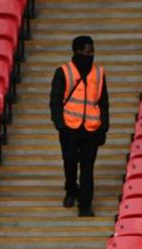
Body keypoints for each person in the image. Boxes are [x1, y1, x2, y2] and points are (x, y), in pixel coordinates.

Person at [50, 36, 109, 217]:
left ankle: (85, 204)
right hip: (69, 127)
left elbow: (103, 101)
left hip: (91, 128)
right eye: (85, 51)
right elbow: (55, 101)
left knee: (87, 167)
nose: (89, 55)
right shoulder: (63, 72)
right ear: (76, 51)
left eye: (91, 51)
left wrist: (104, 127)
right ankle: (71, 189)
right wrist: (60, 125)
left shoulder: (99, 73)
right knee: (69, 161)